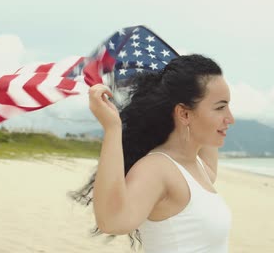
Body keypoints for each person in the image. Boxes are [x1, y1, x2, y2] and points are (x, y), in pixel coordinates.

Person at [70, 54, 235, 252]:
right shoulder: (156, 169)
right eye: (220, 107)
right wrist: (113, 129)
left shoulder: (197, 167)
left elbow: (203, 136)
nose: (230, 118)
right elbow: (112, 221)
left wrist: (180, 76)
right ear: (184, 113)